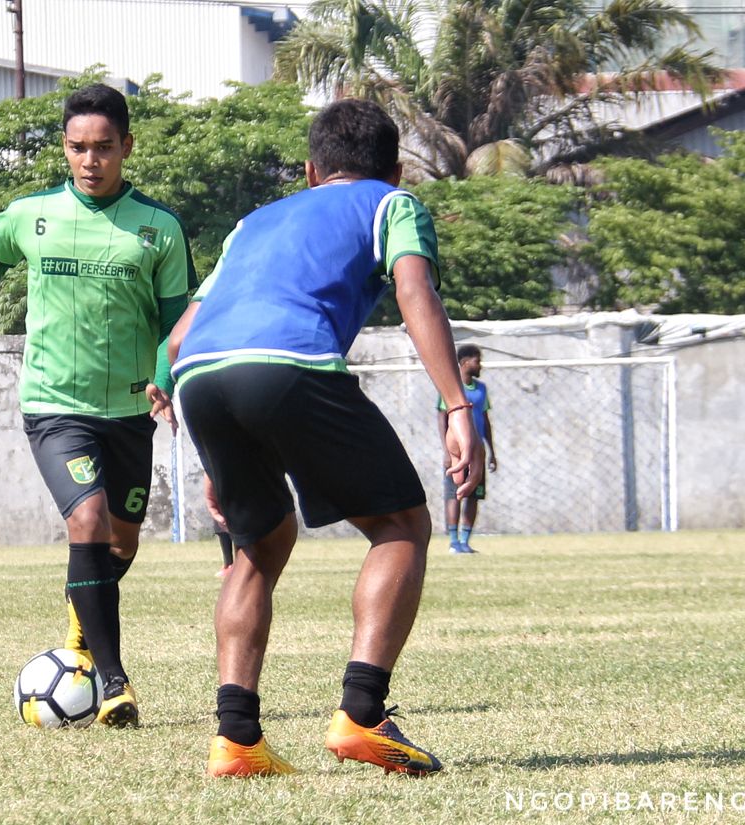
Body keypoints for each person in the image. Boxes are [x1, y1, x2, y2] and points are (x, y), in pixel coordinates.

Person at [168, 98, 483, 777]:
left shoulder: (252, 223)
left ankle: (236, 739)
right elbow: (415, 292)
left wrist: (215, 447)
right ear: (396, 170)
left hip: (199, 374)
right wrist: (456, 405)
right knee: (401, 522)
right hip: (288, 362)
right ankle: (363, 714)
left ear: (312, 170)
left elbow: (178, 339)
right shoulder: (392, 204)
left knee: (260, 545)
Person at [0, 83, 194, 728]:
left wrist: (165, 376)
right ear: (64, 147)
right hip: (54, 406)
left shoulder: (158, 227)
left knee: (121, 541)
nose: (91, 161)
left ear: (126, 147)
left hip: (129, 412)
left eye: (104, 148)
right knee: (85, 524)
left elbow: (177, 319)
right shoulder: (27, 217)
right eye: (78, 148)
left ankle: (79, 628)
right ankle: (114, 683)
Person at [438, 344, 497, 554]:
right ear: (464, 362)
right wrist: (447, 452)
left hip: (478, 451)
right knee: (454, 494)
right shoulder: (451, 388)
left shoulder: (481, 389)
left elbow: (485, 419)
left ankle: (465, 541)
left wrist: (491, 452)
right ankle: (453, 542)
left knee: (473, 496)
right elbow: (442, 418)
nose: (480, 365)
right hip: (458, 452)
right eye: (477, 360)